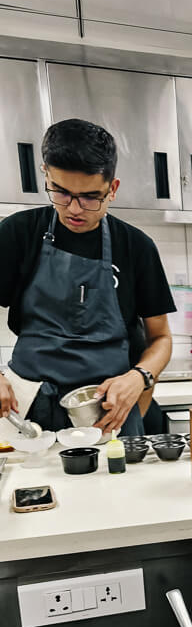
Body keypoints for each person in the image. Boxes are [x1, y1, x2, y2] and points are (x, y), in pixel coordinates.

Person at [0, 118, 175, 435]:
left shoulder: (136, 247)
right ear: (46, 175)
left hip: (107, 408)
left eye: (91, 197)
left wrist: (139, 377)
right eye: (61, 192)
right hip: (26, 408)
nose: (74, 209)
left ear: (113, 189)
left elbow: (160, 338)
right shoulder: (18, 233)